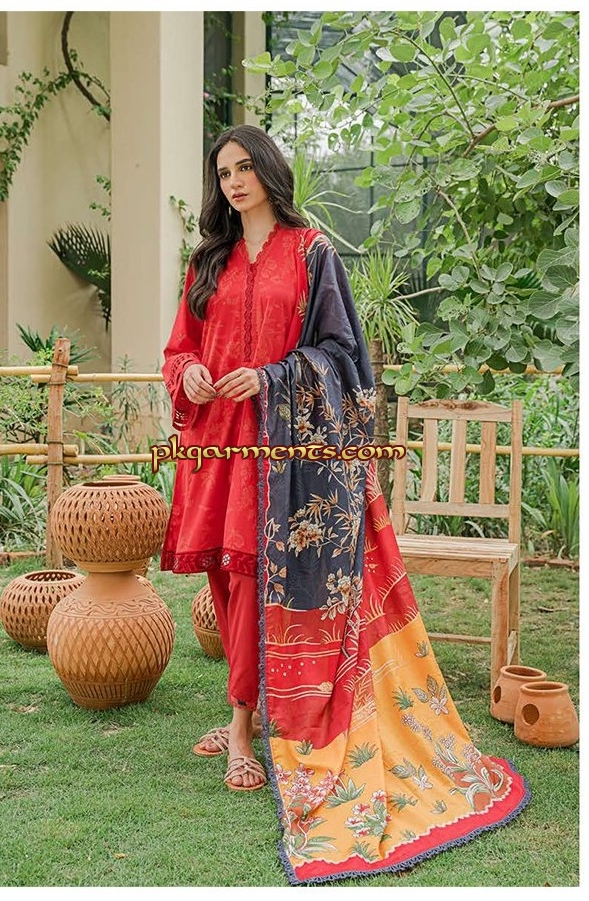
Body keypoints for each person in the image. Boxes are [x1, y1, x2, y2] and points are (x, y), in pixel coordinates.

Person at [161, 125, 530, 885]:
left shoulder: (311, 253)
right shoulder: (208, 262)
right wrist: (189, 373)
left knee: (263, 578)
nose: (234, 182)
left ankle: (241, 728)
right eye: (223, 173)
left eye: (245, 168)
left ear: (269, 172)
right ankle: (247, 708)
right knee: (227, 576)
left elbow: (342, 354)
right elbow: (180, 347)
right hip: (217, 446)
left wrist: (272, 378)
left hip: (287, 457)